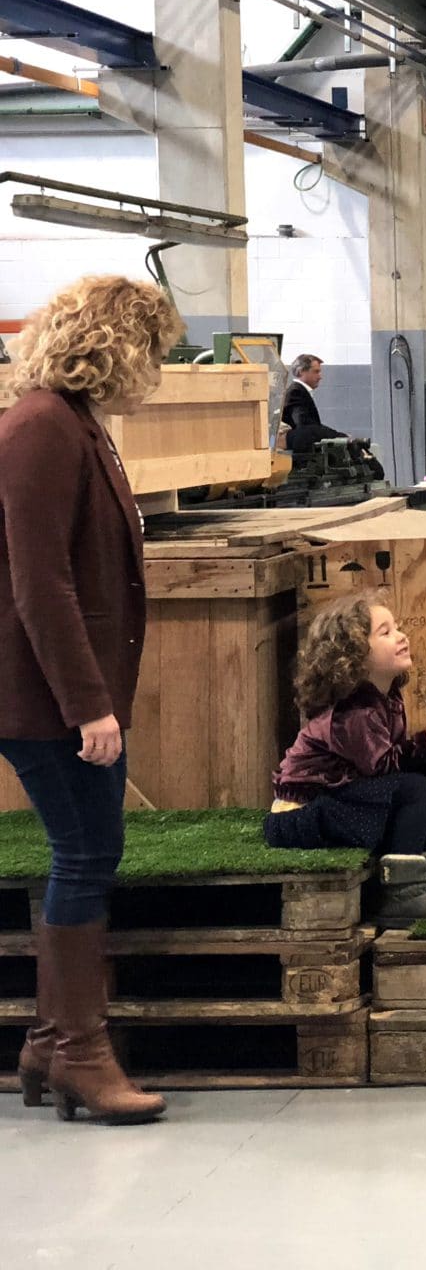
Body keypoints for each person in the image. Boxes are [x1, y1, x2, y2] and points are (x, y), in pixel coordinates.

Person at [0, 276, 182, 1124]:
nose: (157, 374)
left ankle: (50, 1041)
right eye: (154, 354)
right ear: (116, 345)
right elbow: (40, 581)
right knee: (85, 852)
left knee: (85, 851)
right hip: (47, 699)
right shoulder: (41, 426)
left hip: (68, 692)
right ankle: (78, 1052)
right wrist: (86, 705)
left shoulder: (73, 423)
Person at [265, 597, 426, 927]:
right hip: (304, 814)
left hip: (335, 799)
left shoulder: (383, 698)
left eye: (397, 628)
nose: (401, 636)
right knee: (414, 788)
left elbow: (390, 763)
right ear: (354, 655)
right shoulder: (352, 710)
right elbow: (382, 767)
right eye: (385, 632)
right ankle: (401, 893)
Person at [280, 354, 385, 476]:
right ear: (301, 372)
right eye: (316, 372)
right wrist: (340, 436)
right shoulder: (295, 392)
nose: (320, 377)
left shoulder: (299, 391)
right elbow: (306, 426)